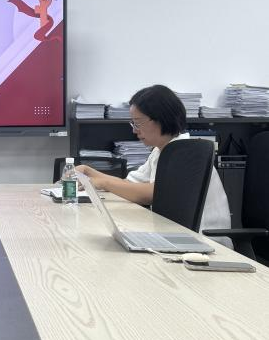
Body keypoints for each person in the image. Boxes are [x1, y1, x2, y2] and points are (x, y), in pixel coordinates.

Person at [76, 84, 232, 248]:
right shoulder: (161, 151)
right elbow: (129, 184)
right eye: (133, 124)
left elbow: (153, 193)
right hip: (179, 235)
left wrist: (103, 183)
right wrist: (89, 172)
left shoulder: (185, 152)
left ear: (161, 119)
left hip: (207, 243)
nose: (135, 131)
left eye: (138, 123)